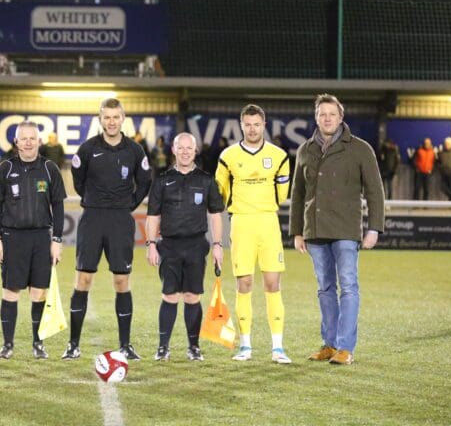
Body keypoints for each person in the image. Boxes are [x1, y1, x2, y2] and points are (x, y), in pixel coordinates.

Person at [289, 94, 385, 366]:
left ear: (341, 117)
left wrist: (374, 228)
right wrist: (297, 230)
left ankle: (345, 347)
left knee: (349, 287)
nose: (327, 118)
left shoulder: (360, 148)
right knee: (325, 289)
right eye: (322, 114)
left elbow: (375, 192)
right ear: (316, 118)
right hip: (315, 230)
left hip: (346, 230)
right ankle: (329, 345)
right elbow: (298, 194)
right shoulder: (305, 150)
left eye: (332, 114)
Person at [63, 97, 152, 360]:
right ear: (100, 119)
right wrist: (95, 200)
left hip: (120, 221)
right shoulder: (88, 149)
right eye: (106, 117)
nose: (111, 122)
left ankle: (125, 345)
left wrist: (127, 205)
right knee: (83, 279)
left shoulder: (134, 151)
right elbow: (78, 181)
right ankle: (73, 345)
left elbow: (144, 182)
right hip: (92, 218)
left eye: (116, 117)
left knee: (121, 281)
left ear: (123, 118)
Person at [215, 104, 293, 364]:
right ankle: (246, 346)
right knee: (244, 284)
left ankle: (278, 348)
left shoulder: (279, 156)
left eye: (256, 124)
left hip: (268, 223)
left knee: (273, 283)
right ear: (241, 125)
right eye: (247, 124)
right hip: (241, 224)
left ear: (264, 125)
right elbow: (219, 193)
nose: (252, 128)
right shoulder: (227, 156)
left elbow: (282, 193)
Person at [0, 121, 66, 360]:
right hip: (12, 238)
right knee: (10, 292)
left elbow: (59, 206)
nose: (29, 142)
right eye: (24, 138)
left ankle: (37, 344)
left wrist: (57, 240)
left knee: (39, 293)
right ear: (16, 142)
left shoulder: (50, 168)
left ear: (39, 142)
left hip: (42, 238)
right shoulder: (5, 169)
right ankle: (7, 344)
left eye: (33, 138)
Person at [146, 132, 224, 362]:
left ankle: (193, 347)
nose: (185, 152)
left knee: (192, 296)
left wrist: (218, 245)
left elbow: (216, 215)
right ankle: (163, 348)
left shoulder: (206, 180)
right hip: (169, 246)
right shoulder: (161, 180)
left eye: (190, 148)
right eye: (181, 148)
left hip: (196, 246)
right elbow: (153, 216)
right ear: (174, 150)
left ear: (195, 150)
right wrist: (151, 244)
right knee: (170, 295)